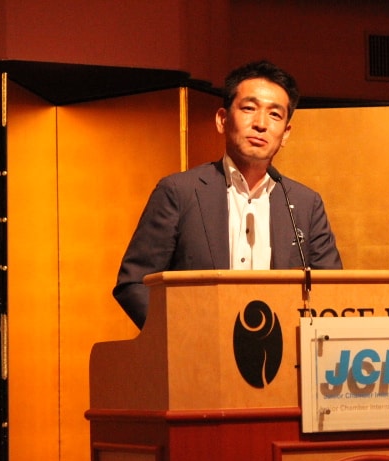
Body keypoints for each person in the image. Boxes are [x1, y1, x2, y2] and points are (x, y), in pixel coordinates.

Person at [113, 60, 342, 328]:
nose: (261, 124)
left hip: (287, 348)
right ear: (222, 120)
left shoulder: (305, 204)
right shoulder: (179, 192)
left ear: (286, 134)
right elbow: (134, 283)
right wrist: (180, 335)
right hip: (196, 347)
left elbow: (332, 291)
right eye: (249, 108)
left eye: (275, 114)